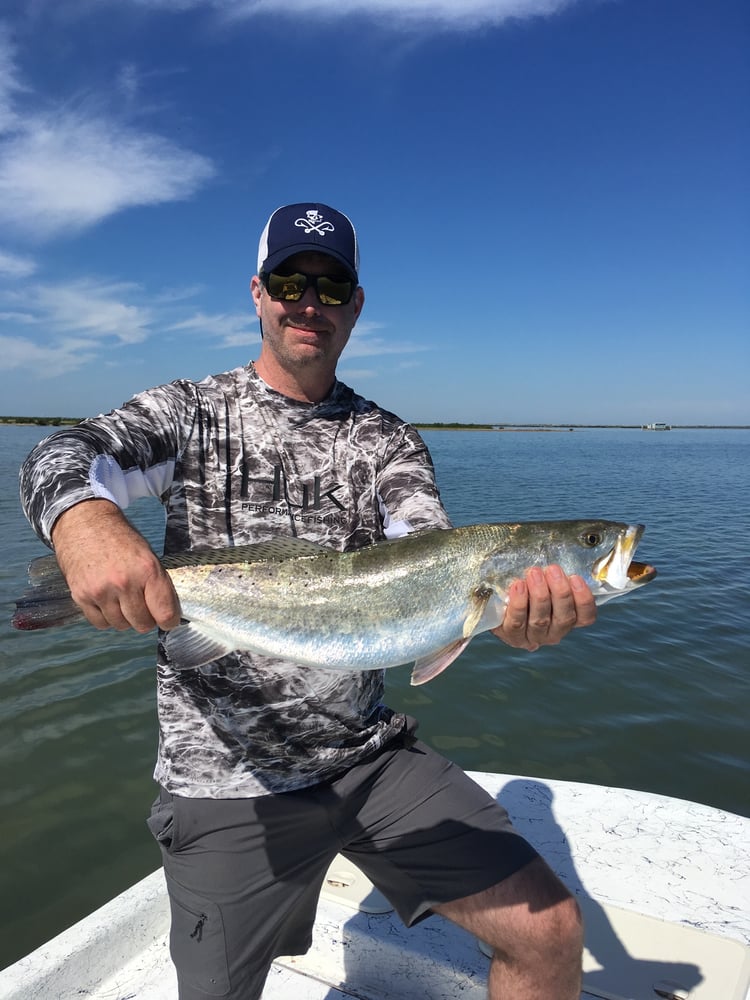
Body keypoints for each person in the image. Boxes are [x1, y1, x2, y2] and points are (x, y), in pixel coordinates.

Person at [20, 202, 596, 999]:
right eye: (291, 281)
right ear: (258, 292)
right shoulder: (191, 413)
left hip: (367, 758)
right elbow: (61, 452)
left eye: (332, 288)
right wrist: (86, 526)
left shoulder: (384, 439)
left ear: (356, 304)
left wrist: (505, 615)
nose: (309, 303)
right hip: (226, 779)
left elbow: (425, 550)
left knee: (551, 930)